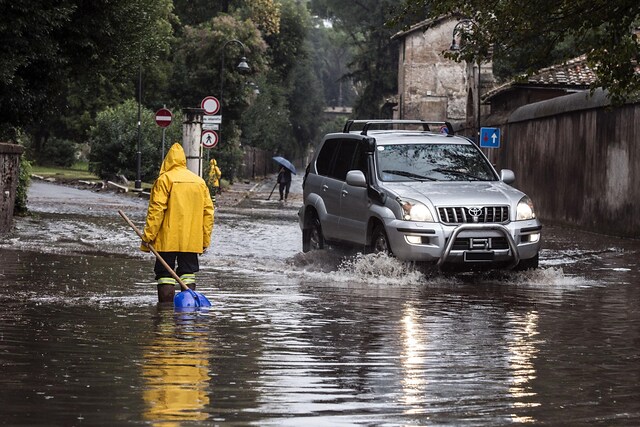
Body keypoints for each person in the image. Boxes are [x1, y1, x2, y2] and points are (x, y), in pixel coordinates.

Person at [140, 143, 214, 303]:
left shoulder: (164, 180)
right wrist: (204, 240)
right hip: (191, 239)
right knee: (188, 272)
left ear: (167, 161)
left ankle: (165, 314)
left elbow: (157, 210)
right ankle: (187, 307)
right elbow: (208, 213)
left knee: (165, 275)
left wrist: (148, 236)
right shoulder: (199, 182)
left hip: (167, 239)